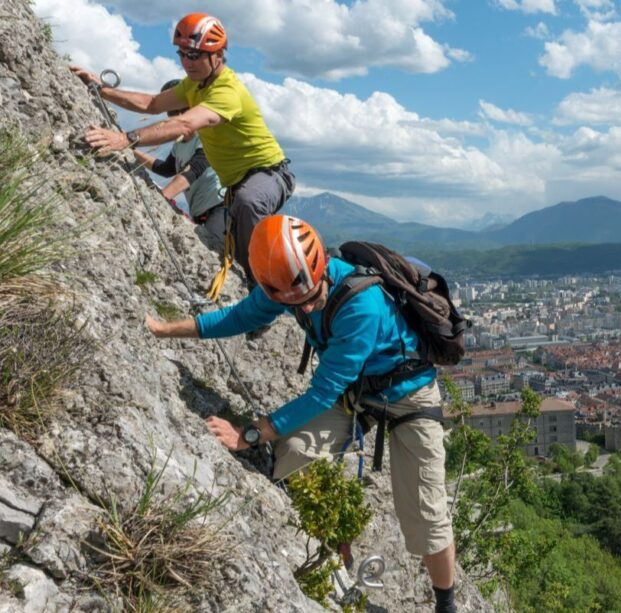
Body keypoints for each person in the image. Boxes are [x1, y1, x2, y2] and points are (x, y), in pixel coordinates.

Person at [145, 215, 458, 613]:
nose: (308, 306)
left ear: (321, 267)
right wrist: (166, 329)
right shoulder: (285, 284)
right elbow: (239, 317)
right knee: (292, 453)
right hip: (358, 393)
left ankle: (446, 604)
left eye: (312, 296)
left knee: (425, 514)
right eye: (297, 303)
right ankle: (335, 543)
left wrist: (251, 434)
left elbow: (322, 393)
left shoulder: (360, 306)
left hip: (409, 397)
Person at [70, 13, 295, 295]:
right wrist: (101, 90)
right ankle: (257, 288)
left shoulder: (227, 92)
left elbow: (186, 123)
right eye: (182, 54)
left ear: (218, 55)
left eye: (195, 55)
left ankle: (265, 290)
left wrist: (125, 139)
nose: (187, 62)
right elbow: (152, 103)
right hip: (239, 186)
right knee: (241, 223)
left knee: (249, 203)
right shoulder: (193, 86)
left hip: (270, 175)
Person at [131, 79, 226, 251]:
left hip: (220, 208)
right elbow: (166, 169)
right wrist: (132, 152)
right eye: (173, 112)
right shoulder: (179, 143)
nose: (177, 116)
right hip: (201, 212)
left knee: (216, 253)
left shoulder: (206, 136)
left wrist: (162, 196)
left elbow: (195, 169)